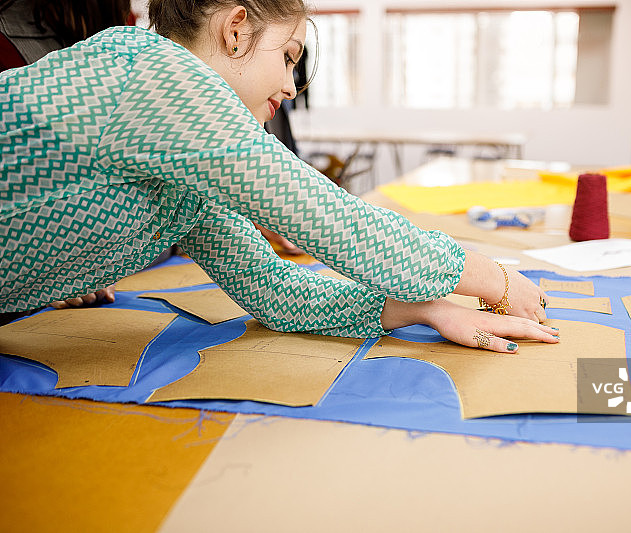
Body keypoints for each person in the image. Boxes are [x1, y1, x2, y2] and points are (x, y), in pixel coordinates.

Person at [0, 0, 558, 353]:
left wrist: (423, 308)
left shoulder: (189, 170)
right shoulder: (152, 72)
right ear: (236, 30)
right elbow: (330, 218)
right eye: (288, 57)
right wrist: (494, 279)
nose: (292, 87)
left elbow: (275, 290)